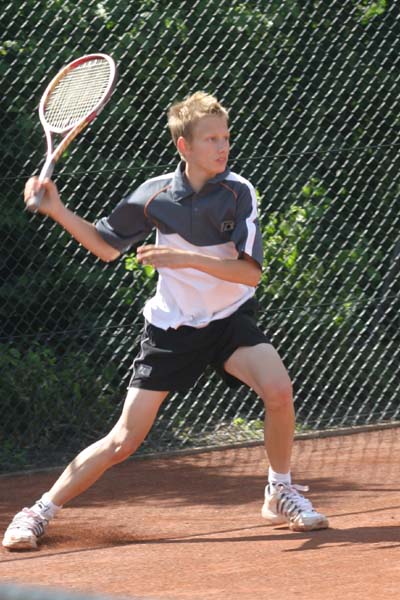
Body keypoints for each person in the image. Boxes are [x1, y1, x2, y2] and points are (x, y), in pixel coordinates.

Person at [2, 92, 328, 551]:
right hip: (171, 329)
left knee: (278, 389)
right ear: (184, 146)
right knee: (124, 440)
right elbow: (106, 246)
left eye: (226, 137)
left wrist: (183, 257)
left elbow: (250, 273)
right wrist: (57, 209)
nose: (223, 147)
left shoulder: (239, 192)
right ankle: (37, 512)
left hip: (229, 321)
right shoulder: (154, 195)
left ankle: (279, 490)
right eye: (211, 139)